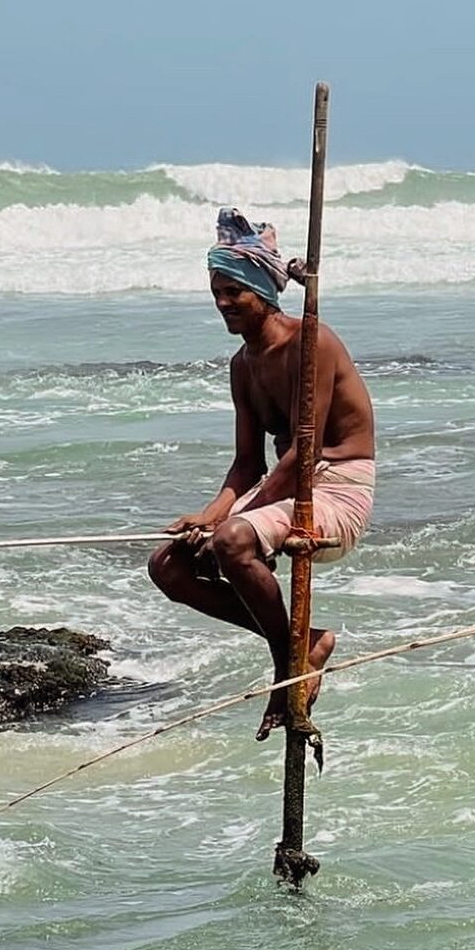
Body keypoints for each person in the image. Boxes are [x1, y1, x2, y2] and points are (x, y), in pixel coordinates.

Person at [149, 209, 376, 735]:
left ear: (262, 291)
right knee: (169, 565)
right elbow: (248, 463)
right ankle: (302, 643)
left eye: (233, 292)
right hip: (285, 486)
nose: (223, 303)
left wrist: (235, 519)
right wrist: (210, 513)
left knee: (231, 541)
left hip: (338, 487)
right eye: (216, 293)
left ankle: (288, 664)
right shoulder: (242, 365)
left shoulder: (312, 342)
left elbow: (305, 450)